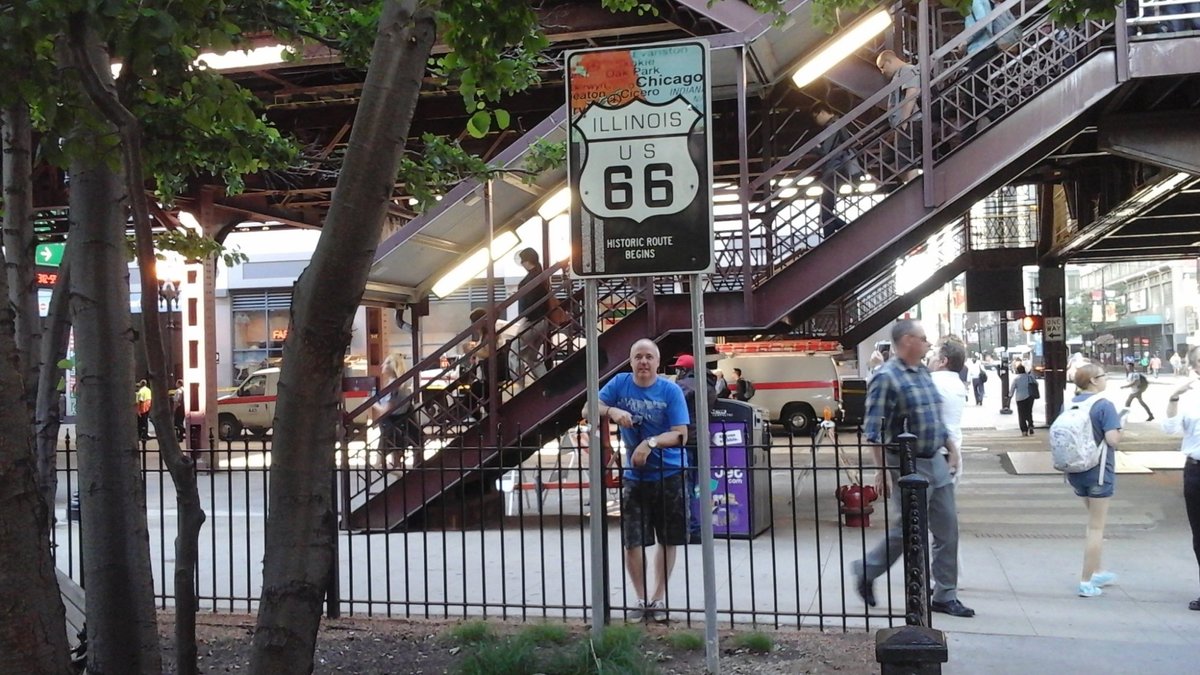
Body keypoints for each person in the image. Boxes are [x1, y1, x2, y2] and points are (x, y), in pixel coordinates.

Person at [854, 319, 974, 618]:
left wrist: (953, 448)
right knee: (910, 531)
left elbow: (933, 415)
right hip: (906, 463)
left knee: (948, 530)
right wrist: (883, 471)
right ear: (907, 340)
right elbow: (874, 431)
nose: (928, 344)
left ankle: (945, 595)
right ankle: (868, 570)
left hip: (936, 458)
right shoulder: (886, 378)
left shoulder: (922, 371)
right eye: (923, 338)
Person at [588, 339, 689, 623]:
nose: (643, 362)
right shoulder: (620, 383)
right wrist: (612, 411)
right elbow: (588, 408)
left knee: (668, 539)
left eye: (649, 357)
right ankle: (642, 599)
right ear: (630, 361)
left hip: (669, 473)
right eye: (638, 357)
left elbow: (681, 433)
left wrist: (650, 443)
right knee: (632, 540)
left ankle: (658, 599)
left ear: (658, 362)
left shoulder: (670, 390)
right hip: (635, 477)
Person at [1065, 363, 1123, 597]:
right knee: (1096, 527)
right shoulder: (1103, 405)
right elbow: (1113, 440)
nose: (1105, 378)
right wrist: (1121, 429)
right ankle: (1086, 581)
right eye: (1102, 376)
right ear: (1092, 380)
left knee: (1093, 521)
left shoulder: (1069, 404)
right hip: (1099, 471)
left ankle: (1097, 570)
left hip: (1076, 471)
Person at [1161, 346, 1200, 611]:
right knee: (1199, 534)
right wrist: (1173, 397)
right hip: (1196, 469)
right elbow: (1170, 429)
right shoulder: (1189, 396)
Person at [671, 354, 717, 544]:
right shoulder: (709, 384)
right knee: (698, 486)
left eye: (678, 369)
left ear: (685, 370)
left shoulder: (688, 384)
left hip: (687, 440)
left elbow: (670, 401)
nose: (676, 373)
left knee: (685, 487)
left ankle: (692, 529)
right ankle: (702, 527)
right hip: (702, 441)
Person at [810, 101, 866, 238]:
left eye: (816, 116)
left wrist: (815, 147)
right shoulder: (840, 123)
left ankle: (841, 236)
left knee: (825, 212)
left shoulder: (833, 126)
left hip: (834, 171)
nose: (816, 121)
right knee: (826, 211)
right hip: (840, 171)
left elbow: (825, 151)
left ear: (823, 112)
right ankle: (848, 232)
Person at [875, 50, 922, 183]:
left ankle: (914, 188)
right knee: (890, 158)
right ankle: (912, 184)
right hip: (903, 123)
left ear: (889, 61)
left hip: (910, 121)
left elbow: (912, 93)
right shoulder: (900, 74)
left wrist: (905, 120)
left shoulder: (907, 69)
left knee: (905, 159)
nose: (882, 72)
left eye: (882, 67)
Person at [373, 353, 417, 467]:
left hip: (392, 423)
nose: (382, 365)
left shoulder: (393, 386)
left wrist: (372, 403)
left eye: (386, 363)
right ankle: (394, 464)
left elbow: (386, 410)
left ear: (392, 366)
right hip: (402, 423)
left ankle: (382, 462)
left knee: (387, 437)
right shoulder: (403, 384)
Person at [514, 247, 550, 381]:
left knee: (513, 352)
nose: (522, 264)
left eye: (523, 261)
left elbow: (528, 302)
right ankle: (546, 382)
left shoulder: (529, 280)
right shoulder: (541, 274)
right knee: (531, 357)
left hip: (532, 321)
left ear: (527, 261)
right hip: (544, 320)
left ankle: (519, 386)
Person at [1010, 365, 1037, 436]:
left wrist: (1009, 396)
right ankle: (1030, 425)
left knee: (1021, 415)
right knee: (1029, 412)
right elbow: (1036, 384)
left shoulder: (1016, 379)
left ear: (1018, 371)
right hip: (1030, 397)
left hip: (1020, 398)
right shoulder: (1030, 377)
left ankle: (1024, 431)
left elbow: (1012, 389)